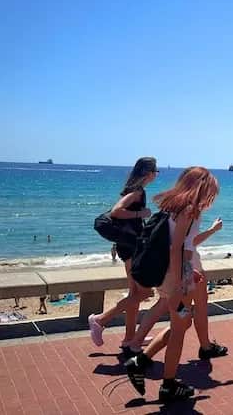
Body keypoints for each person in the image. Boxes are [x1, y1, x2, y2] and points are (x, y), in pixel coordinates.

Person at [125, 167, 221, 402]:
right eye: (210, 191)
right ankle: (168, 385)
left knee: (183, 321)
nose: (211, 197)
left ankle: (141, 361)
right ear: (201, 187)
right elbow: (176, 248)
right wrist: (180, 282)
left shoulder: (173, 206)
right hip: (176, 278)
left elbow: (181, 246)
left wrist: (190, 273)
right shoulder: (188, 210)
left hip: (178, 274)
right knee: (179, 328)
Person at [88, 157, 159, 358]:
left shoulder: (135, 189)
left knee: (134, 294)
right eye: (156, 170)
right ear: (148, 173)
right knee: (145, 293)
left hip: (128, 246)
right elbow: (116, 212)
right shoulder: (137, 192)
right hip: (131, 247)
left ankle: (129, 339)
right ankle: (100, 320)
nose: (157, 174)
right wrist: (141, 214)